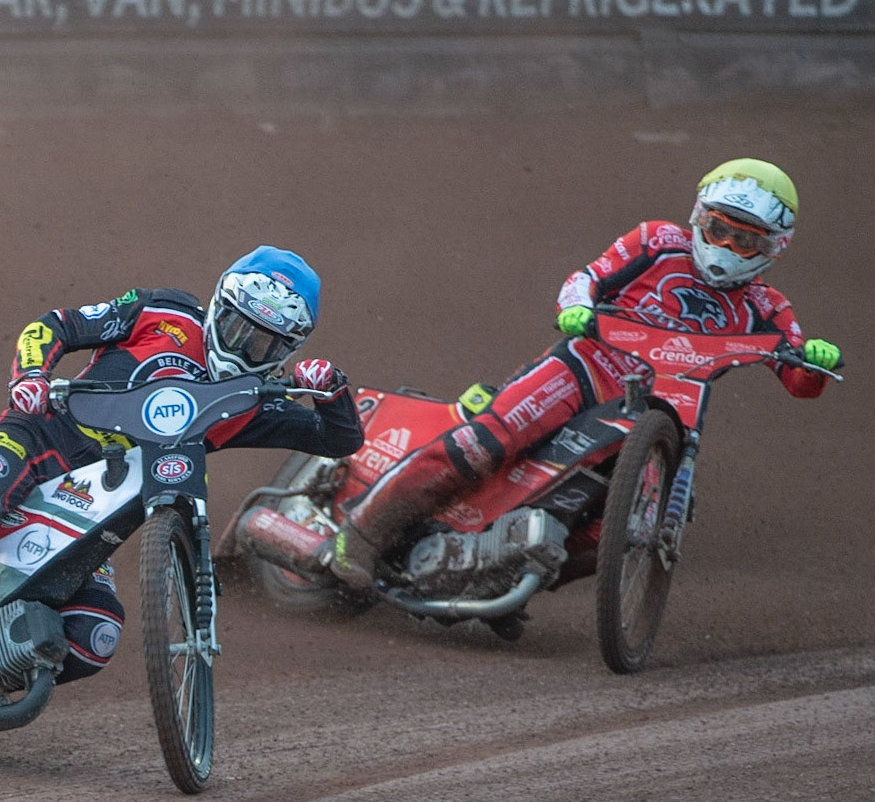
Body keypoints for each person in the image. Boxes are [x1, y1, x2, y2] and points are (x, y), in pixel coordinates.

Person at [0, 247, 364, 741]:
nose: (244, 345)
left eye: (264, 342)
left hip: (94, 509)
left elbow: (341, 439)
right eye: (238, 325)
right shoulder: (160, 310)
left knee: (95, 636)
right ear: (218, 303)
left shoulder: (255, 400)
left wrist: (332, 392)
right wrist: (30, 376)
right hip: (34, 439)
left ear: (288, 348)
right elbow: (54, 325)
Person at [326, 158, 843, 590]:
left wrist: (814, 361)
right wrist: (575, 307)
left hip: (661, 414)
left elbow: (798, 379)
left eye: (745, 239)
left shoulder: (767, 307)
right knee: (485, 444)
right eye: (719, 229)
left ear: (775, 246)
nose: (727, 247)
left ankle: (498, 579)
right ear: (698, 218)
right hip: (585, 370)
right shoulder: (656, 242)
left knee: (631, 527)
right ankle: (363, 535)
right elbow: (587, 278)